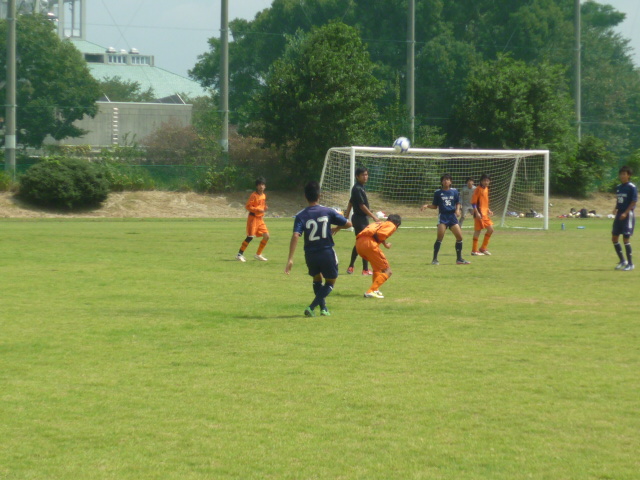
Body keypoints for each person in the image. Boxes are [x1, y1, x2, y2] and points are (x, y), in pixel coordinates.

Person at [285, 181, 352, 317]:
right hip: (326, 251)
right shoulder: (328, 211)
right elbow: (349, 224)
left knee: (317, 279)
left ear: (305, 196)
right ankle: (311, 307)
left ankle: (323, 309)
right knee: (331, 281)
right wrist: (337, 228)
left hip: (310, 254)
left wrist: (290, 259)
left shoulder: (301, 215)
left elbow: (296, 235)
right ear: (319, 195)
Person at [421, 173, 470, 265]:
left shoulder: (454, 191)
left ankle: (459, 259)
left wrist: (457, 210)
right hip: (443, 217)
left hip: (452, 216)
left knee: (459, 237)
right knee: (440, 237)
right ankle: (434, 259)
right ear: (442, 182)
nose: (446, 181)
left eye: (448, 179)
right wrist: (427, 206)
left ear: (451, 182)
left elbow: (458, 202)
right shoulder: (438, 192)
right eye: (444, 180)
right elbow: (435, 206)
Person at [356, 214, 402, 299]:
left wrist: (385, 244)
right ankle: (370, 291)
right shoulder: (392, 225)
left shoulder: (380, 223)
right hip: (369, 243)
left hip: (359, 243)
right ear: (397, 224)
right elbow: (379, 234)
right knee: (388, 271)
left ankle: (375, 290)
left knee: (377, 268)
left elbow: (376, 233)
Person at [344, 166, 379, 276]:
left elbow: (350, 202)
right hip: (360, 219)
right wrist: (373, 216)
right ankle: (365, 270)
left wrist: (346, 215)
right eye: (363, 175)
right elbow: (361, 206)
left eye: (366, 174)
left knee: (360, 243)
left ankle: (351, 267)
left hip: (360, 219)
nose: (365, 177)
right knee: (365, 243)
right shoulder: (357, 189)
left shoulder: (360, 188)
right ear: (357, 176)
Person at [236, 177, 270, 262]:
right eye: (259, 185)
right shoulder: (253, 195)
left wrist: (264, 207)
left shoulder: (263, 195)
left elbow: (262, 205)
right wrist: (258, 209)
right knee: (250, 237)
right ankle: (239, 255)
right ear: (256, 186)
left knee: (266, 236)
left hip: (260, 219)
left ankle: (258, 254)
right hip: (253, 218)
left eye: (262, 184)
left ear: (265, 186)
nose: (261, 186)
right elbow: (248, 206)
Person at [612, 165, 637, 271]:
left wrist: (626, 213)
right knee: (614, 238)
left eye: (624, 174)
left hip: (628, 215)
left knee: (626, 239)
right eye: (621, 174)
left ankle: (630, 264)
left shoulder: (632, 187)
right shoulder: (619, 187)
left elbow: (633, 201)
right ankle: (623, 261)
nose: (622, 176)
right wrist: (615, 208)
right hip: (619, 214)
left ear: (628, 175)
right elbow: (619, 200)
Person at [471, 173, 494, 256]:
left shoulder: (486, 189)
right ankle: (474, 250)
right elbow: (474, 203)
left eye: (487, 181)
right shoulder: (478, 189)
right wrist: (476, 212)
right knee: (478, 231)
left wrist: (488, 209)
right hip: (479, 214)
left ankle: (483, 248)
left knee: (491, 229)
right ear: (481, 181)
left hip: (485, 214)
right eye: (484, 180)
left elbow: (484, 202)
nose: (486, 182)